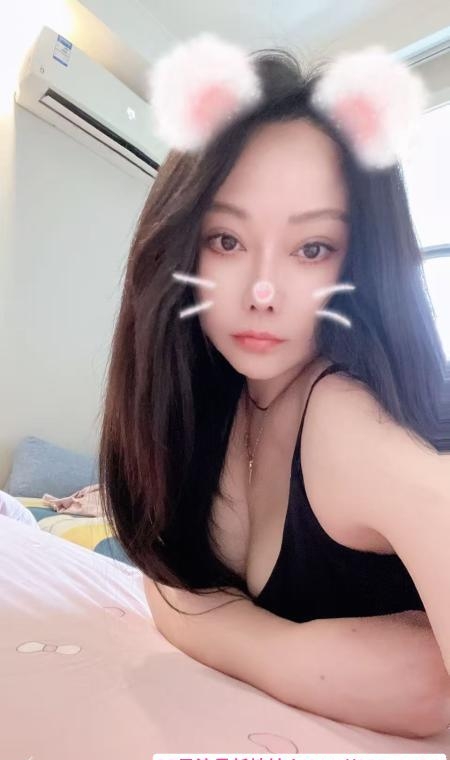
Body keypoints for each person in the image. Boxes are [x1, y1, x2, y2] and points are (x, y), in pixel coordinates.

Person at [98, 35, 450, 736]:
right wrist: (290, 656)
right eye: (226, 241)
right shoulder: (210, 397)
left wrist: (213, 621)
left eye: (312, 248)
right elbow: (166, 587)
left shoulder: (354, 428)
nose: (262, 292)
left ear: (360, 263)